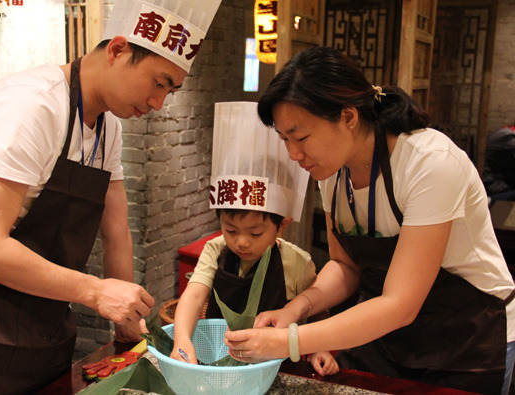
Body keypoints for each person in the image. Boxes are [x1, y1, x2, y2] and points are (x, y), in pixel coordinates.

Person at [0, 0, 221, 393]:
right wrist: (96, 292)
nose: (158, 103)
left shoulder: (108, 128)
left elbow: (117, 232)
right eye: (158, 82)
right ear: (117, 50)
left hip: (39, 338)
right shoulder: (31, 105)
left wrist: (126, 324)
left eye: (171, 91)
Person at [222, 46, 515, 395]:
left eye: (301, 137)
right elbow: (345, 265)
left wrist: (289, 341)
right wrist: (296, 309)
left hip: (468, 338)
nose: (293, 154)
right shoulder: (331, 173)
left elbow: (400, 304)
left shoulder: (430, 164)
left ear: (348, 117)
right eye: (284, 139)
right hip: (389, 338)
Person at [170, 101, 338, 377]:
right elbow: (193, 296)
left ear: (281, 225)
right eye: (231, 230)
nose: (241, 243)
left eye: (256, 233)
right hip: (219, 367)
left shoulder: (297, 262)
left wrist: (321, 350)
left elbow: (317, 311)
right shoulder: (215, 250)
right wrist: (182, 341)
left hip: (279, 369)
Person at [483, 123, 515, 204]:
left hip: (492, 177)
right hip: (490, 182)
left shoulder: (504, 132)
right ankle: (491, 201)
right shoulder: (507, 136)